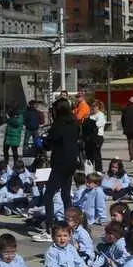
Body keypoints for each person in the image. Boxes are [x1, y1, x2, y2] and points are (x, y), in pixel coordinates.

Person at [42, 99, 80, 231]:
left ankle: (49, 225)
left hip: (60, 162)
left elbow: (49, 144)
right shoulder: (74, 122)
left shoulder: (58, 124)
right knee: (66, 194)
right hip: (72, 161)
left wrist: (43, 141)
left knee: (48, 195)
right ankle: (71, 223)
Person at [87, 101, 106, 171]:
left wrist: (90, 124)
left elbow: (97, 125)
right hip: (90, 137)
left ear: (98, 107)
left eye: (94, 106)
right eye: (92, 106)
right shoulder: (91, 115)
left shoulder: (100, 115)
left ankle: (99, 170)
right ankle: (89, 170)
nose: (92, 108)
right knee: (90, 155)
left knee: (96, 154)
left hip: (98, 137)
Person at [121, 96, 133, 162]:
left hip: (128, 129)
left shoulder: (125, 109)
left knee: (130, 144)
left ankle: (132, 158)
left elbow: (122, 120)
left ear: (129, 102)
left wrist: (124, 128)